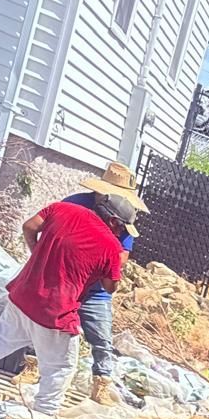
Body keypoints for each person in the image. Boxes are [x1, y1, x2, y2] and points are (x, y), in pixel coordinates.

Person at [0, 195, 135, 416]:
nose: (122, 234)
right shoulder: (111, 246)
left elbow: (28, 226)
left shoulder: (63, 209)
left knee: (0, 337)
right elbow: (110, 287)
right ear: (112, 221)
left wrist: (36, 251)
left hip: (24, 294)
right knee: (61, 366)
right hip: (55, 311)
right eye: (122, 228)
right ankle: (44, 413)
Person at [62, 160, 147, 405]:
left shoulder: (122, 217)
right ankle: (32, 367)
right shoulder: (74, 205)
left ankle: (101, 384)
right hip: (64, 282)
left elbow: (120, 259)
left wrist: (95, 267)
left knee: (101, 339)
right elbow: (48, 231)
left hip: (96, 291)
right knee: (44, 325)